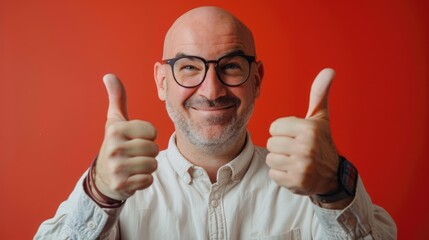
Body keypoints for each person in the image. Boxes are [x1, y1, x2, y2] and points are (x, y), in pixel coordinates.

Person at [35, 6, 396, 240]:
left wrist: (333, 189)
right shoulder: (114, 190)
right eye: (189, 67)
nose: (212, 89)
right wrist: (99, 195)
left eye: (231, 66)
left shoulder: (311, 185)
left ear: (256, 79)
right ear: (162, 82)